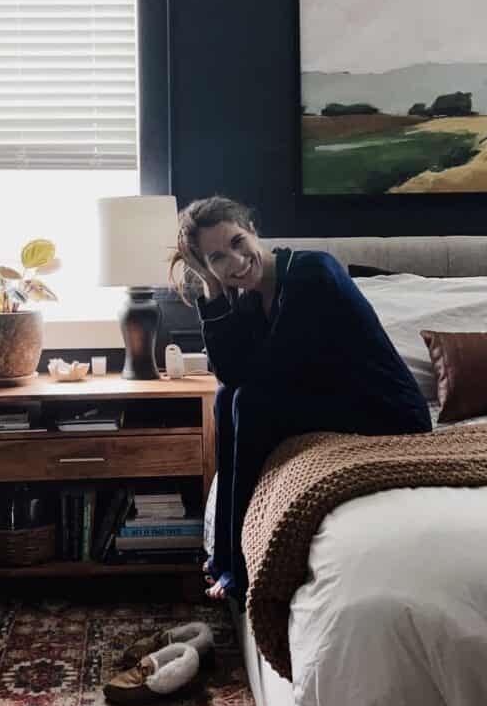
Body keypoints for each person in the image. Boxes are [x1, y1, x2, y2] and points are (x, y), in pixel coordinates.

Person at [170, 196, 431, 603]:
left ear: (253, 230)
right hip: (335, 400)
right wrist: (214, 290)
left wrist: (224, 286)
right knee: (226, 400)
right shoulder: (252, 293)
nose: (237, 262)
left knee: (247, 404)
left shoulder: (312, 274)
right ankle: (223, 555)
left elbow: (269, 377)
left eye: (238, 242)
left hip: (388, 410)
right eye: (218, 258)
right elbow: (232, 375)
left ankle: (240, 572)